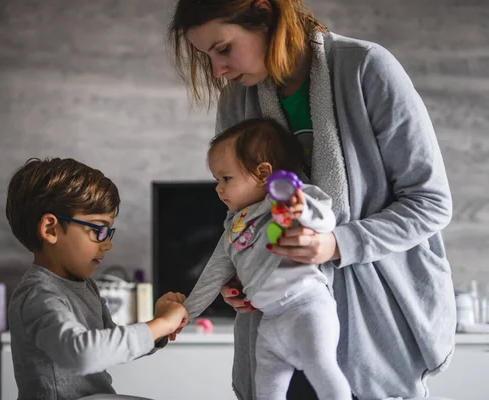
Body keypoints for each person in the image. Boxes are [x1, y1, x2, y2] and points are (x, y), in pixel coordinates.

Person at [167, 1, 456, 399]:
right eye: (207, 56)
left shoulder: (366, 68)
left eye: (223, 48)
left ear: (265, 15)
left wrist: (335, 244)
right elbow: (243, 216)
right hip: (278, 327)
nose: (218, 71)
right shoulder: (237, 101)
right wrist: (239, 275)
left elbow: (430, 203)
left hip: (370, 326)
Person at [177, 118, 351, 400]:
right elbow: (213, 274)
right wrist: (186, 314)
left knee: (323, 369)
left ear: (263, 173)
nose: (218, 188)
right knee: (266, 389)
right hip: (270, 321)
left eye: (226, 178)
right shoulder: (234, 226)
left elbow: (326, 218)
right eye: (217, 181)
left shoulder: (288, 200)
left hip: (307, 308)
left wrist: (300, 209)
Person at [6, 157, 188, 400]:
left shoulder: (83, 285)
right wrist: (161, 324)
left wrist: (158, 329)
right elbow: (84, 353)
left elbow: (109, 345)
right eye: (98, 230)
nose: (108, 244)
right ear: (51, 229)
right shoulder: (39, 294)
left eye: (108, 231)